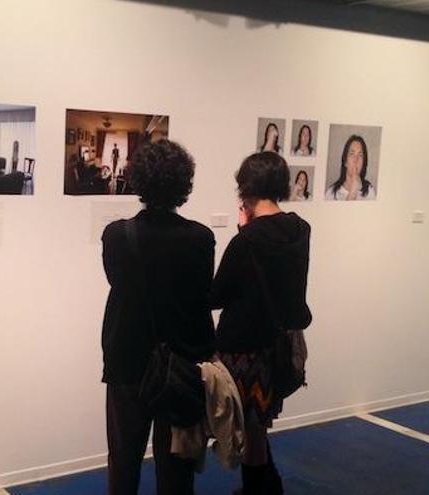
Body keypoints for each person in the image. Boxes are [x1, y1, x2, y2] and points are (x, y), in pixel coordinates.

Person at [101, 139, 215, 495]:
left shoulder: (117, 234)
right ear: (184, 183)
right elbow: (202, 299)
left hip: (127, 358)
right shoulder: (200, 238)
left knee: (123, 460)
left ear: (139, 179)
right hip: (181, 363)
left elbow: (117, 282)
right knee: (176, 469)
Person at [210, 151, 312, 495]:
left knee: (250, 431)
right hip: (279, 345)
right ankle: (270, 487)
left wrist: (245, 231)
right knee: (260, 425)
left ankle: (259, 490)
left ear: (246, 187)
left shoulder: (247, 240)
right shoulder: (301, 230)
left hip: (244, 349)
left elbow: (217, 295)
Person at [325, 135, 376, 200]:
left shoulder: (369, 191)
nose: (356, 159)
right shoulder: (331, 193)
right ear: (345, 161)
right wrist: (353, 191)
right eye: (352, 154)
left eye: (360, 155)